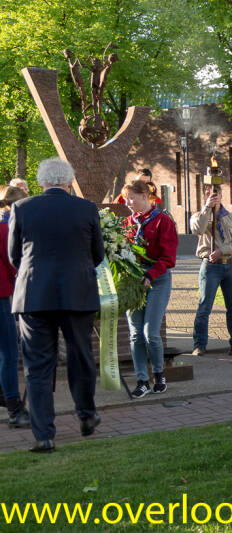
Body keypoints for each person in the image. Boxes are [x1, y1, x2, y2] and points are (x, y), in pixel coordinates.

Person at [9, 158, 104, 453]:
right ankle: (86, 415)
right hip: (77, 293)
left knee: (37, 366)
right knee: (81, 356)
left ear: (41, 182)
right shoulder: (86, 209)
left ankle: (44, 435)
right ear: (69, 181)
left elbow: (14, 255)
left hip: (34, 293)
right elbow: (97, 254)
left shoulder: (22, 208)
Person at [122, 181, 178, 399]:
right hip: (135, 280)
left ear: (145, 195)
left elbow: (168, 257)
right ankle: (142, 380)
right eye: (126, 198)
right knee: (135, 334)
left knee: (150, 332)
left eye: (131, 198)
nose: (127, 202)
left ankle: (159, 374)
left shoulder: (163, 221)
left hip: (158, 279)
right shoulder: (129, 222)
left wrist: (150, 274)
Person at [190, 184, 232, 357]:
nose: (213, 196)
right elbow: (198, 229)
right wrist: (207, 208)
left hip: (229, 265)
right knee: (205, 306)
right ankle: (199, 344)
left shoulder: (230, 217)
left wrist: (222, 250)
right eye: (209, 194)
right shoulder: (198, 215)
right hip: (210, 267)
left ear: (222, 195)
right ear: (205, 196)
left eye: (216, 194)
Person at [0, 185, 30, 428]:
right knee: (9, 353)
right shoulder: (4, 229)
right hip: (1, 296)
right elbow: (13, 264)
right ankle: (14, 408)